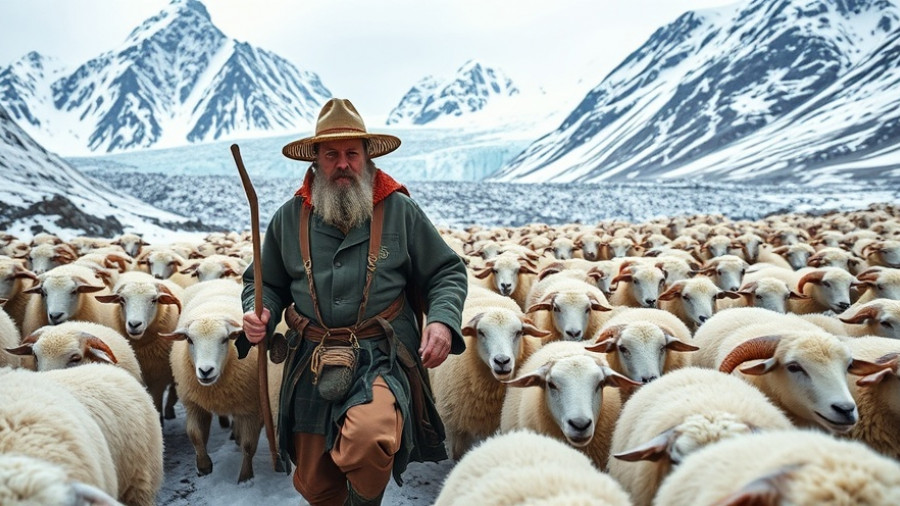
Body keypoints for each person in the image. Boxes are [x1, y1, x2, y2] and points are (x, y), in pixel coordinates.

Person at [241, 98, 467, 506]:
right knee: (315, 484)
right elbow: (264, 283)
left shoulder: (400, 211)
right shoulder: (288, 218)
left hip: (380, 353)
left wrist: (442, 320)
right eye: (331, 155)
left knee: (369, 439)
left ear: (367, 157)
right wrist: (260, 312)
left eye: (351, 154)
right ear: (315, 161)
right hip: (310, 355)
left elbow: (446, 271)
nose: (342, 164)